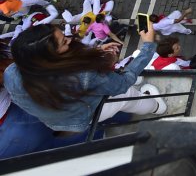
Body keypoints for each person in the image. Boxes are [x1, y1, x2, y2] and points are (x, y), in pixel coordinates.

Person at [4, 22, 162, 135]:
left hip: (58, 121)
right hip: (82, 118)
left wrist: (96, 51)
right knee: (127, 95)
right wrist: (148, 45)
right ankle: (155, 107)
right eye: (64, 42)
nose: (69, 39)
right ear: (49, 58)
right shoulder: (83, 75)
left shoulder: (11, 73)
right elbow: (121, 85)